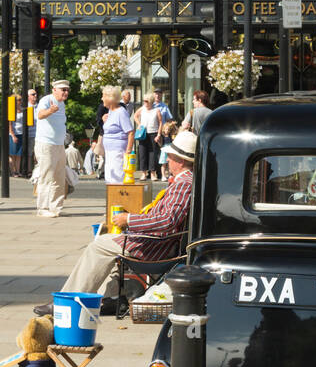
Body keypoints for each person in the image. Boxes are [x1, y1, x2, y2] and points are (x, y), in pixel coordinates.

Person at [35, 130, 197, 315]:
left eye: (170, 156)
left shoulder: (184, 183)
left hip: (155, 246)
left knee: (98, 247)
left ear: (181, 160)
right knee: (105, 240)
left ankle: (67, 302)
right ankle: (111, 298)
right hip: (157, 241)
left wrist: (129, 219)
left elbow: (167, 220)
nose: (167, 159)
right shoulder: (184, 181)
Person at [34, 80, 70, 218]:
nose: (65, 92)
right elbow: (40, 115)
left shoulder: (62, 104)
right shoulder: (47, 100)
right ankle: (42, 208)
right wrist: (51, 110)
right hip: (46, 144)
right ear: (54, 89)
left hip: (59, 144)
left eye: (67, 90)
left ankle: (55, 207)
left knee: (59, 177)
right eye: (63, 90)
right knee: (46, 176)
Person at [100, 84, 135, 184]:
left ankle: (118, 199)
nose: (102, 98)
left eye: (103, 96)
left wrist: (128, 151)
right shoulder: (111, 111)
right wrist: (104, 120)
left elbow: (131, 132)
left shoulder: (121, 112)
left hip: (118, 152)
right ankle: (113, 199)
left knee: (117, 179)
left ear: (109, 98)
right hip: (109, 151)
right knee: (110, 178)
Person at [132, 91, 162, 179]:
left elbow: (160, 122)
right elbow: (135, 116)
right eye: (144, 101)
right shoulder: (142, 109)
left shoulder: (156, 110)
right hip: (143, 133)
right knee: (142, 153)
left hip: (153, 133)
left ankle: (153, 173)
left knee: (152, 153)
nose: (145, 102)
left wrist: (159, 134)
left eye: (146, 101)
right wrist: (139, 124)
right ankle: (143, 173)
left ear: (151, 101)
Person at [8, 94, 23, 176]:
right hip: (13, 134)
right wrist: (13, 135)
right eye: (19, 100)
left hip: (21, 133)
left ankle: (18, 170)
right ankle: (13, 171)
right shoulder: (11, 110)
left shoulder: (22, 109)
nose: (20, 102)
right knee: (13, 154)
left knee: (19, 154)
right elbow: (9, 124)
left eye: (21, 100)